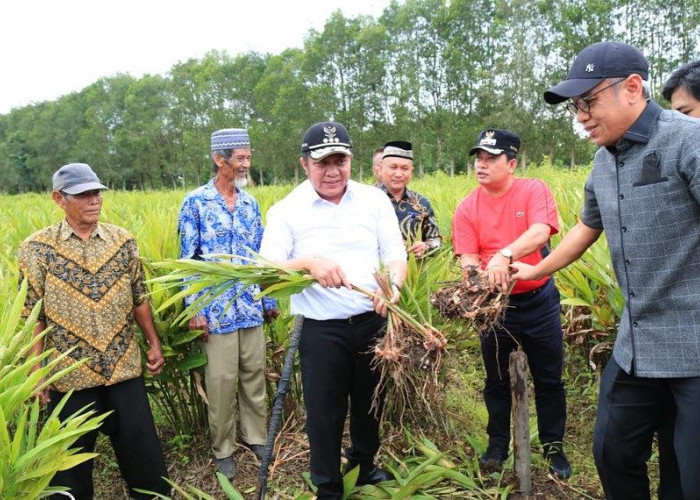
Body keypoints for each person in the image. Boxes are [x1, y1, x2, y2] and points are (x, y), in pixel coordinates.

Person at [512, 41, 700, 499]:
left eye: (589, 101)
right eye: (576, 106)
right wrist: (534, 271)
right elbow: (586, 227)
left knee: (690, 475)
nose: (580, 115)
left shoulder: (686, 140)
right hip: (636, 343)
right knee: (612, 452)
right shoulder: (602, 159)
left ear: (633, 88)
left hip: (694, 343)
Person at [259, 121, 407, 499]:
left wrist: (393, 287)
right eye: (322, 162)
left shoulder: (374, 201)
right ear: (304, 164)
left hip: (373, 319)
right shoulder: (287, 210)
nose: (332, 171)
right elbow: (264, 274)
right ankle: (327, 485)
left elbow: (394, 254)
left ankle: (363, 465)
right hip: (322, 330)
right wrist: (309, 262)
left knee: (370, 401)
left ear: (351, 161)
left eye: (339, 161)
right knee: (325, 413)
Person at [18, 163, 169, 499]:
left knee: (146, 465)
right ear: (59, 198)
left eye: (96, 192)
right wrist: (37, 371)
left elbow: (139, 296)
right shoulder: (38, 249)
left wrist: (153, 342)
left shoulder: (123, 241)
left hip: (123, 368)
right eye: (83, 194)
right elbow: (33, 315)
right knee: (68, 473)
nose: (94, 200)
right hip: (70, 377)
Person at [452, 129, 571, 478]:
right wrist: (482, 278)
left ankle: (553, 448)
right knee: (496, 380)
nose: (482, 164)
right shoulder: (467, 206)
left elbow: (540, 231)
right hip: (496, 308)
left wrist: (504, 256)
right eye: (478, 158)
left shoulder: (533, 189)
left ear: (512, 163)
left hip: (538, 300)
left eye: (491, 158)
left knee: (549, 378)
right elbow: (468, 257)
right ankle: (497, 445)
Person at [178, 128, 279, 480]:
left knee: (253, 373)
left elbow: (261, 256)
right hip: (215, 308)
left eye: (249, 158)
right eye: (240, 158)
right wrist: (195, 310)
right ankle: (223, 447)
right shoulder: (196, 202)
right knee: (221, 379)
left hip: (249, 304)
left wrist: (270, 297)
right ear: (219, 160)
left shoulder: (251, 203)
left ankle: (255, 435)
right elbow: (189, 260)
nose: (246, 165)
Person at [379, 141, 441, 258]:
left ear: (411, 171)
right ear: (381, 168)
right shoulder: (366, 199)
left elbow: (437, 240)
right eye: (393, 167)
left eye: (404, 168)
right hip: (374, 273)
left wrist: (426, 246)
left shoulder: (421, 203)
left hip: (414, 273)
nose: (398, 174)